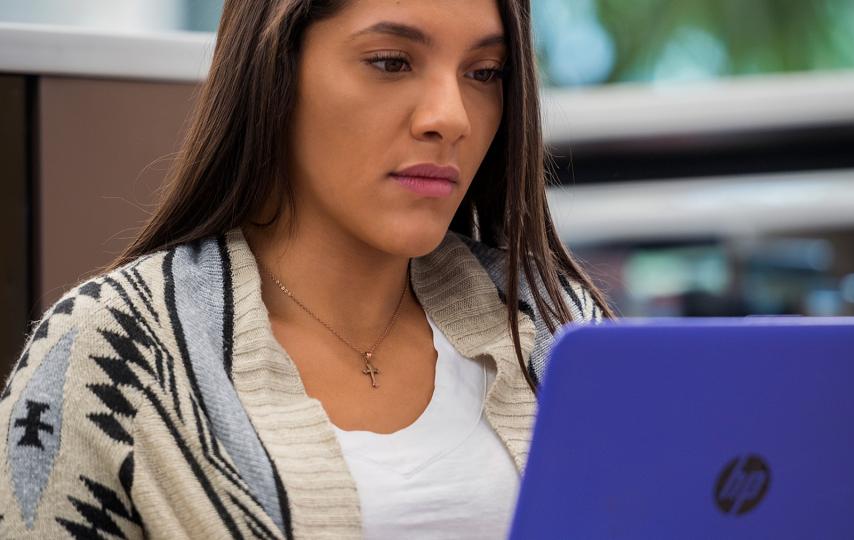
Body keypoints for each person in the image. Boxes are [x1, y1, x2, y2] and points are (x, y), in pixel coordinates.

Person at [0, 0, 615, 537]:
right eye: (391, 61)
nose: (451, 117)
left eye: (485, 72)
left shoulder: (559, 329)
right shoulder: (110, 350)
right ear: (275, 70)